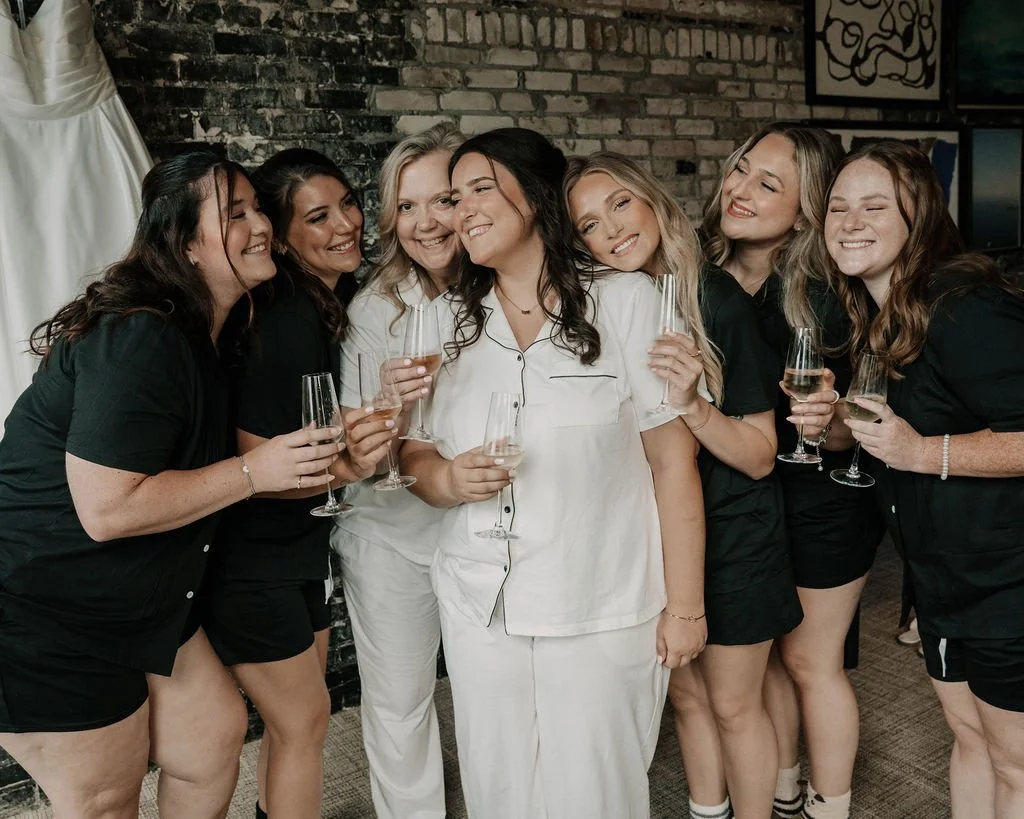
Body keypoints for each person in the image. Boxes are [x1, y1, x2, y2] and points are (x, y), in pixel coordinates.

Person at [0, 151, 344, 819]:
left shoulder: (207, 337)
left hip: (144, 597)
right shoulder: (141, 335)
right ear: (184, 244)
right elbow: (105, 510)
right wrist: (254, 472)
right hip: (47, 610)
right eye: (235, 213)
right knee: (103, 798)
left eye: (257, 209)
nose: (262, 225)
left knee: (212, 737)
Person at [401, 128, 706, 819]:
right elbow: (411, 454)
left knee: (597, 795)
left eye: (481, 188)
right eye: (455, 197)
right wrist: (446, 479)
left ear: (536, 198)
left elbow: (672, 461)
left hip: (600, 602)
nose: (460, 211)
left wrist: (686, 606)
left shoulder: (628, 301)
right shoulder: (440, 320)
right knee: (498, 789)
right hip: (481, 606)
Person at [565, 152, 802, 819]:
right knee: (689, 699)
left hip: (735, 535)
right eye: (588, 225)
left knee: (732, 703)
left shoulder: (715, 298)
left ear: (651, 200)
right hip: (663, 535)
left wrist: (694, 404)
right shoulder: (608, 305)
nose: (610, 230)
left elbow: (760, 454)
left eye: (619, 204)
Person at [825, 140, 1024, 819]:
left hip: (1010, 584)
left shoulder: (965, 306)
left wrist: (924, 452)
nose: (849, 221)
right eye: (837, 206)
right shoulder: (883, 316)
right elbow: (876, 430)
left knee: (1019, 762)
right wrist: (834, 420)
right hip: (943, 579)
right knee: (971, 739)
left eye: (874, 206)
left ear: (919, 220)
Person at [702, 123, 886, 819]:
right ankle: (780, 784)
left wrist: (832, 423)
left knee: (812, 661)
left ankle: (827, 804)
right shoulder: (704, 270)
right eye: (740, 171)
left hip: (821, 499)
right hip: (745, 498)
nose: (739, 190)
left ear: (808, 207)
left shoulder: (826, 292)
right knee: (768, 661)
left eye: (767, 183)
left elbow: (852, 426)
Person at [202, 148, 392, 819]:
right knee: (306, 719)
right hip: (250, 555)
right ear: (282, 238)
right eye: (319, 215)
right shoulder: (284, 318)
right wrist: (348, 466)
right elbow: (254, 468)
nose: (346, 223)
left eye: (348, 202)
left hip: (295, 545)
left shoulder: (325, 302)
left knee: (299, 720)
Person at [332, 122, 465, 819]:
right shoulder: (375, 310)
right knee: (400, 700)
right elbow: (362, 459)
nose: (424, 223)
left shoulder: (508, 288)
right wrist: (388, 402)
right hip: (389, 531)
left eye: (442, 200)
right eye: (406, 207)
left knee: (489, 694)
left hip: (479, 527)